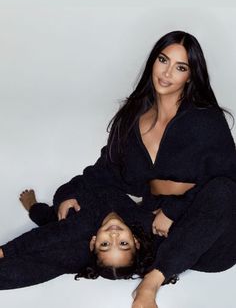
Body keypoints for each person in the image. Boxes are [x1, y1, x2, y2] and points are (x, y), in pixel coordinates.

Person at [52, 31, 236, 307]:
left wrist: (174, 210)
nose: (167, 72)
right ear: (153, 61)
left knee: (225, 191)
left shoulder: (206, 121)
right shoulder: (132, 119)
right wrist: (67, 193)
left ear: (190, 75)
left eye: (180, 67)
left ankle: (151, 282)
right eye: (163, 60)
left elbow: (229, 179)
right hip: (161, 232)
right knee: (84, 228)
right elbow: (106, 170)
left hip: (212, 242)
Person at [0, 185, 156, 290]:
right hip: (72, 218)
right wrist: (67, 197)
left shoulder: (79, 228)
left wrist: (3, 251)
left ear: (94, 242)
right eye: (123, 243)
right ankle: (37, 211)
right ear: (135, 241)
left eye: (105, 244)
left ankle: (34, 209)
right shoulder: (144, 221)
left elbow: (39, 238)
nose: (113, 235)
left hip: (77, 243)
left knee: (48, 259)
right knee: (53, 220)